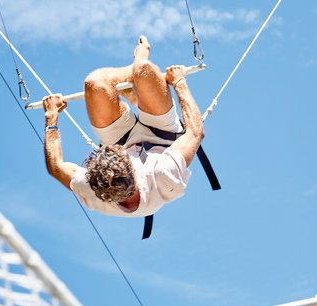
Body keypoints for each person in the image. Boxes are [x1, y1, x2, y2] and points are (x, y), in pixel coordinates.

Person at [42, 36, 205, 218]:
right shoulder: (163, 175)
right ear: (133, 171)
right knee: (144, 70)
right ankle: (137, 74)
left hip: (119, 142)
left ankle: (133, 84)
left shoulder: (91, 188)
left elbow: (55, 167)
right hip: (162, 137)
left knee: (94, 83)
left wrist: (51, 119)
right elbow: (196, 132)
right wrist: (179, 82)